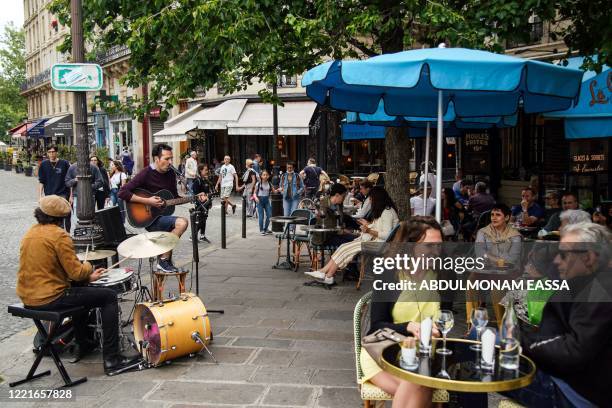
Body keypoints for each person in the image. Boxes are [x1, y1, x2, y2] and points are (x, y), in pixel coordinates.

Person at [16, 195, 138, 374]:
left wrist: (88, 279)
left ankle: (85, 343)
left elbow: (52, 271)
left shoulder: (30, 233)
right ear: (61, 217)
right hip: (50, 298)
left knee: (82, 293)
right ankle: (113, 359)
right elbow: (77, 273)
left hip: (28, 297)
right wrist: (89, 267)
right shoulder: (59, 235)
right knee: (108, 297)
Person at [504, 222, 612, 408]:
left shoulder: (602, 289)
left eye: (563, 254)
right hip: (569, 380)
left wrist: (522, 340)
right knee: (483, 352)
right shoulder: (581, 283)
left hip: (576, 395)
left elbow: (574, 352)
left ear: (589, 257)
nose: (556, 261)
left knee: (478, 361)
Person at [361, 217, 443, 407]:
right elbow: (376, 326)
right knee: (419, 384)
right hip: (384, 352)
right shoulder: (389, 274)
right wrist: (409, 326)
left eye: (439, 246)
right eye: (429, 246)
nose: (436, 252)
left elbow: (445, 317)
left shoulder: (441, 275)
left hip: (426, 355)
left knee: (417, 380)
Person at [119, 143, 207, 273]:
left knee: (177, 227)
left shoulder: (171, 174)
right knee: (182, 223)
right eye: (167, 159)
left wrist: (194, 197)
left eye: (171, 158)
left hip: (162, 216)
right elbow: (122, 192)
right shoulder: (146, 173)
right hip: (149, 218)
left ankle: (164, 261)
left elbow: (174, 197)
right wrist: (147, 200)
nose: (170, 162)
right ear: (156, 159)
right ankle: (163, 260)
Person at [305, 186, 399, 285]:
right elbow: (380, 228)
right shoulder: (385, 211)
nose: (370, 201)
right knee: (343, 247)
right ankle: (326, 274)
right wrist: (367, 225)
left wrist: (368, 230)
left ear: (378, 199)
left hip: (380, 245)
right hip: (376, 242)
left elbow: (387, 235)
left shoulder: (387, 212)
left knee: (346, 248)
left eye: (371, 199)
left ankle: (325, 274)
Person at [37, 145, 71, 231]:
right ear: (47, 153)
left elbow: (69, 180)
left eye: (53, 152)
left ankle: (66, 234)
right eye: (49, 152)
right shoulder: (43, 164)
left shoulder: (64, 163)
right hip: (49, 195)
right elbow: (41, 181)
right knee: (51, 216)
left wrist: (71, 195)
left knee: (65, 215)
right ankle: (57, 235)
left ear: (56, 152)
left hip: (63, 194)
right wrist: (40, 196)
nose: (51, 154)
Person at [191, 164, 213, 243]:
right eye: (205, 170)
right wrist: (201, 195)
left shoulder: (205, 180)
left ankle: (202, 236)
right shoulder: (197, 181)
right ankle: (193, 236)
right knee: (200, 220)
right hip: (200, 204)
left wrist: (209, 202)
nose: (207, 171)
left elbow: (208, 192)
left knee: (204, 219)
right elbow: (195, 194)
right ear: (201, 171)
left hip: (206, 203)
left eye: (207, 170)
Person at [253, 169, 274, 235]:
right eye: (264, 175)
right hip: (260, 200)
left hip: (266, 200)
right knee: (261, 216)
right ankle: (261, 230)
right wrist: (256, 197)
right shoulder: (258, 184)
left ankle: (266, 228)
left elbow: (274, 191)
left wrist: (280, 189)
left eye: (266, 175)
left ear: (268, 176)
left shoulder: (270, 184)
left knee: (270, 215)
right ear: (261, 176)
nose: (265, 176)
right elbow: (254, 193)